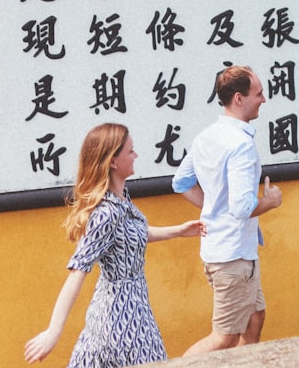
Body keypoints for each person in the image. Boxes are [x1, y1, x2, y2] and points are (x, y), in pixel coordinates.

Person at [25, 123, 206, 367]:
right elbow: (78, 270)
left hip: (129, 307)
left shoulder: (120, 198)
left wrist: (179, 231)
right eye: (130, 151)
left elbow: (131, 235)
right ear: (112, 161)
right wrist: (53, 332)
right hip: (123, 317)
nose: (136, 155)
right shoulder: (105, 214)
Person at [171, 65, 284, 355]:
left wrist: (212, 207)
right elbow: (242, 207)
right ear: (238, 98)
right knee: (224, 338)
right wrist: (270, 201)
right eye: (258, 93)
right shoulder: (241, 146)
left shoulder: (207, 136)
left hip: (223, 251)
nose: (264, 99)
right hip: (234, 258)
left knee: (255, 317)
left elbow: (181, 183)